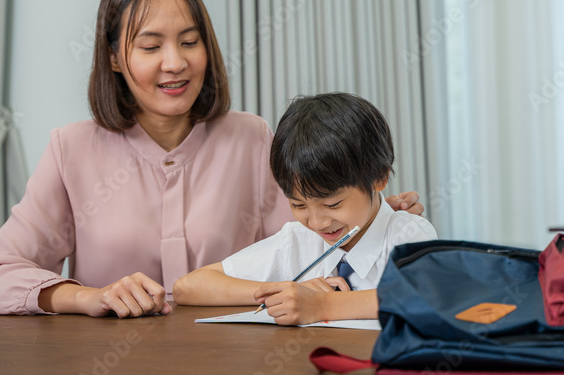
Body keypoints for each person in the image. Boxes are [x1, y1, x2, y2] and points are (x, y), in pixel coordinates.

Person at [0, 0, 423, 317]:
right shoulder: (71, 149)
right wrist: (88, 297)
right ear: (113, 57)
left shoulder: (251, 138)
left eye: (189, 41)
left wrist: (375, 214)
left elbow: (310, 245)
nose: (174, 62)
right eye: (149, 47)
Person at [172, 93, 437, 324]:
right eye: (298, 205)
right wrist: (287, 291)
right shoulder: (298, 240)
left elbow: (426, 297)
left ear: (379, 177)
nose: (318, 222)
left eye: (332, 204)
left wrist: (320, 306)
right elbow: (187, 288)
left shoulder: (406, 232)